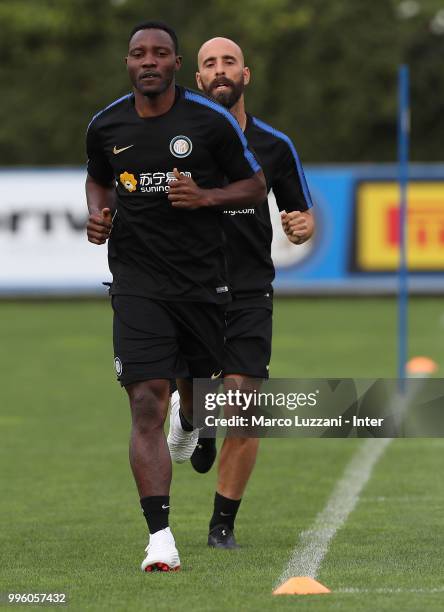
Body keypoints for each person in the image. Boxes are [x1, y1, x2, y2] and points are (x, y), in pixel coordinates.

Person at [85, 22, 266, 572]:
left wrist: (206, 196)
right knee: (145, 400)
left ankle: (192, 422)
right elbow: (99, 177)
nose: (149, 62)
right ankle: (160, 537)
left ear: (175, 64)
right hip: (137, 283)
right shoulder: (106, 124)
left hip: (202, 286)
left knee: (199, 398)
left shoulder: (208, 121)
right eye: (139, 53)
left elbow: (254, 185)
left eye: (159, 54)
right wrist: (99, 213)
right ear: (128, 63)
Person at [168, 36, 314, 549]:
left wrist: (300, 226)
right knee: (195, 395)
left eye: (230, 61)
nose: (221, 70)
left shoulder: (275, 145)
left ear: (245, 75)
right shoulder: (176, 140)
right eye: (210, 64)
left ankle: (221, 526)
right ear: (199, 79)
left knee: (244, 405)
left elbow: (301, 214)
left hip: (251, 290)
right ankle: (190, 417)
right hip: (188, 289)